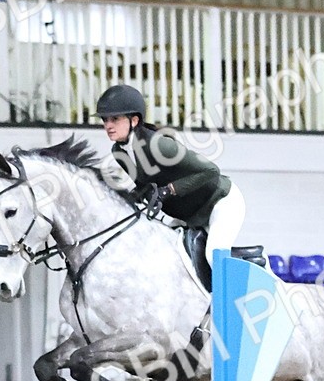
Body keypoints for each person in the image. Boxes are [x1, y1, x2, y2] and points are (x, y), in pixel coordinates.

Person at [96, 84, 246, 266]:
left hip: (220, 203)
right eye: (105, 120)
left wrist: (169, 190)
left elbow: (211, 171)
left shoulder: (159, 145)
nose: (108, 125)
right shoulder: (119, 152)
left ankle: (231, 289)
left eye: (115, 119)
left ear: (134, 121)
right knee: (163, 253)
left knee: (213, 257)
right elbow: (144, 187)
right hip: (190, 215)